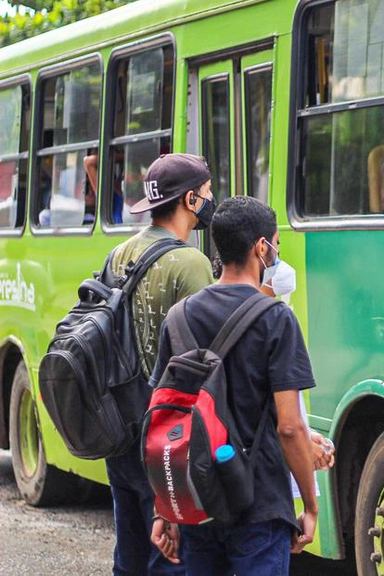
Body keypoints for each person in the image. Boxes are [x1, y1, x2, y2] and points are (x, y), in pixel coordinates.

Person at [149, 196, 320, 574]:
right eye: (276, 244)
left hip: (199, 500)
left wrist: (165, 509)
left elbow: (163, 418)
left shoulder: (179, 318)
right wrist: (309, 505)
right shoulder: (277, 319)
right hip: (260, 507)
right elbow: (290, 427)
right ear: (262, 247)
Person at [106, 153, 216, 575]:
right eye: (206, 193)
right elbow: (207, 354)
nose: (210, 200)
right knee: (170, 558)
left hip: (119, 429)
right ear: (190, 200)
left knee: (130, 556)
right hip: (167, 436)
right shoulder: (191, 263)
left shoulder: (120, 253)